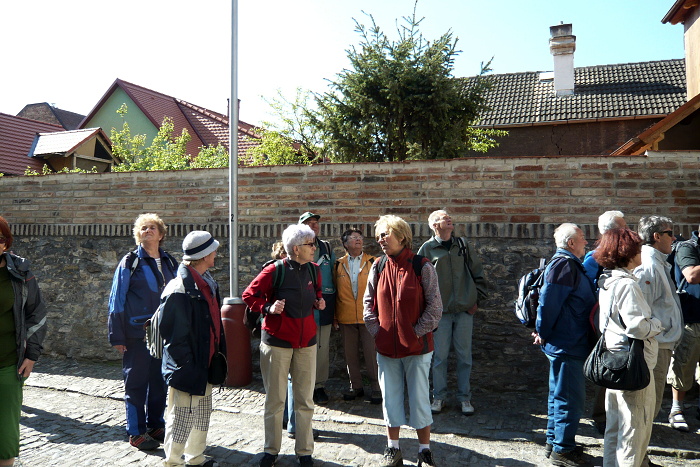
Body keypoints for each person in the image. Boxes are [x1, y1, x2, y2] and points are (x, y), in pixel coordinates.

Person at [364, 215, 442, 467]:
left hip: (418, 348)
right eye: (378, 236)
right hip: (386, 348)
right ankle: (393, 449)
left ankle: (424, 450)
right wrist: (379, 331)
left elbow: (435, 307)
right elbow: (368, 305)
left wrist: (416, 332)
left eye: (385, 234)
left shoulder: (422, 266)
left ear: (401, 235)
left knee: (420, 398)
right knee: (390, 397)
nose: (380, 240)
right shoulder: (377, 266)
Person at [243, 224, 324, 467]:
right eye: (311, 244)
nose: (315, 248)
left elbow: (317, 292)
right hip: (276, 343)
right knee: (275, 400)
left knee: (305, 401)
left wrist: (319, 302)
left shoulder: (314, 270)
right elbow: (249, 295)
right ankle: (271, 450)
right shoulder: (274, 270)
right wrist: (268, 307)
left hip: (307, 343)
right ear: (296, 249)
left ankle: (305, 452)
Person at [108, 213, 178, 451]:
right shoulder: (130, 262)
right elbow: (116, 299)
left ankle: (155, 424)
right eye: (143, 228)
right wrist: (117, 335)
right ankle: (136, 431)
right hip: (137, 332)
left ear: (161, 234)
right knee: (136, 383)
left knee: (160, 380)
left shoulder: (170, 262)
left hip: (164, 332)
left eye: (152, 228)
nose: (147, 231)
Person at [594, 228, 662, 466]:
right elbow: (637, 327)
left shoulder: (607, 280)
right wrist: (657, 324)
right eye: (639, 248)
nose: (642, 252)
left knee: (615, 429)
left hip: (615, 361)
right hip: (634, 365)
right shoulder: (627, 285)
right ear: (628, 252)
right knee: (634, 434)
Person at [533, 223, 596, 467]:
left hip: (567, 342)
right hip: (567, 343)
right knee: (570, 398)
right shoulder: (563, 265)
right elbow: (548, 303)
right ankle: (563, 450)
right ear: (571, 243)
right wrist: (542, 332)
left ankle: (555, 441)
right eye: (582, 238)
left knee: (560, 395)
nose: (586, 243)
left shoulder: (567, 264)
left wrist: (544, 333)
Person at [160, 230, 224, 467]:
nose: (216, 253)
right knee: (181, 420)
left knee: (202, 415)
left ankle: (195, 458)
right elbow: (173, 335)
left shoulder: (209, 283)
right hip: (187, 367)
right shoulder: (179, 289)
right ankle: (173, 462)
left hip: (205, 363)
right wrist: (186, 366)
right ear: (205, 255)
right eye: (213, 249)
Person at [417, 210, 487, 416]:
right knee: (439, 357)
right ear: (434, 225)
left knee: (465, 357)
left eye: (449, 217)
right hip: (440, 313)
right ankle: (438, 397)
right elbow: (418, 281)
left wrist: (475, 301)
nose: (449, 219)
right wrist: (427, 309)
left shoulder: (462, 246)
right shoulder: (427, 249)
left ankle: (465, 398)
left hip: (465, 310)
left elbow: (478, 274)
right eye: (443, 218)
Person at [0, 216, 47, 467]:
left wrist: (32, 356)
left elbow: (37, 314)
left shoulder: (20, 272)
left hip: (8, 363)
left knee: (6, 433)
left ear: (6, 243)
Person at [635, 216, 683, 421]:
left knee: (650, 401)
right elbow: (641, 311)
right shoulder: (649, 265)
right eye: (670, 233)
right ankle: (639, 451)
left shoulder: (659, 262)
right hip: (654, 345)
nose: (674, 238)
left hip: (660, 343)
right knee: (648, 403)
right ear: (656, 236)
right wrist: (657, 332)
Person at [582, 210, 626, 434]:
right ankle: (601, 415)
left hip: (626, 319)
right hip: (605, 322)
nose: (627, 231)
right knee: (607, 366)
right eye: (622, 228)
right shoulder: (595, 257)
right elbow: (587, 290)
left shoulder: (628, 254)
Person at [333, 229, 381, 404]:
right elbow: (335, 292)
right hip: (345, 315)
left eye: (360, 237)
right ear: (345, 244)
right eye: (353, 238)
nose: (358, 240)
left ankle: (376, 387)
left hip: (368, 316)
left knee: (371, 353)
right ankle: (356, 386)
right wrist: (335, 316)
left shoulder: (373, 262)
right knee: (350, 353)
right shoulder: (338, 264)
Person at [298, 211, 336, 404]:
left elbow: (335, 277)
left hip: (324, 306)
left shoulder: (326, 247)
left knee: (321, 348)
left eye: (315, 223)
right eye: (308, 223)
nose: (313, 226)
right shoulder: (295, 248)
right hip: (301, 307)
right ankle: (303, 385)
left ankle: (319, 386)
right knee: (302, 347)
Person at [666, 223, 700, 432]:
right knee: (683, 365)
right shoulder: (687, 247)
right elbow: (692, 276)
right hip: (692, 318)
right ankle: (676, 410)